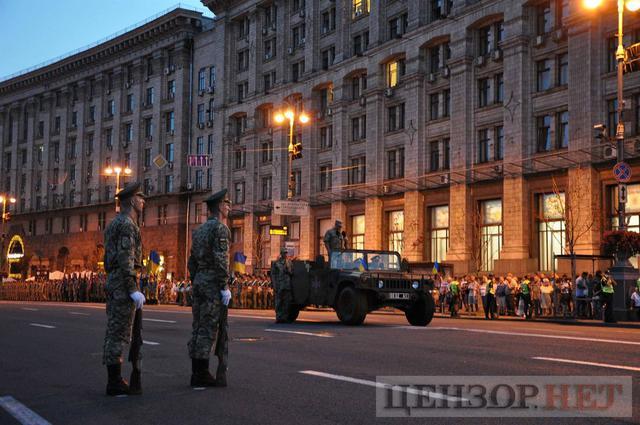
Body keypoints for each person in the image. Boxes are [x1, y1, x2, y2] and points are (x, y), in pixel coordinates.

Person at [102, 182, 146, 396]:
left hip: (113, 280)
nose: (143, 201)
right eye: (140, 197)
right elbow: (126, 257)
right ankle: (115, 381)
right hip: (122, 283)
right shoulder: (128, 224)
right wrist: (132, 287)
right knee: (119, 333)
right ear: (131, 201)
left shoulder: (113, 223)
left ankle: (114, 378)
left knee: (114, 331)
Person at [187, 189, 232, 387]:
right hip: (213, 283)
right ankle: (202, 373)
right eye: (227, 204)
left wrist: (196, 279)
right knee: (208, 329)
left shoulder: (200, 230)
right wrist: (224, 285)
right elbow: (221, 260)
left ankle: (196, 371)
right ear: (220, 207)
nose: (229, 207)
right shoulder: (221, 229)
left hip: (199, 281)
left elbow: (192, 261)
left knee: (197, 327)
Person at [271, 247, 293, 323]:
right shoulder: (276, 263)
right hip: (279, 285)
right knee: (279, 302)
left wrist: (288, 268)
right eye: (284, 253)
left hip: (287, 285)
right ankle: (279, 317)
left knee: (287, 302)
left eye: (286, 253)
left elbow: (291, 273)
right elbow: (273, 275)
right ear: (281, 254)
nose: (286, 254)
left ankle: (285, 317)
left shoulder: (289, 262)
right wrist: (274, 285)